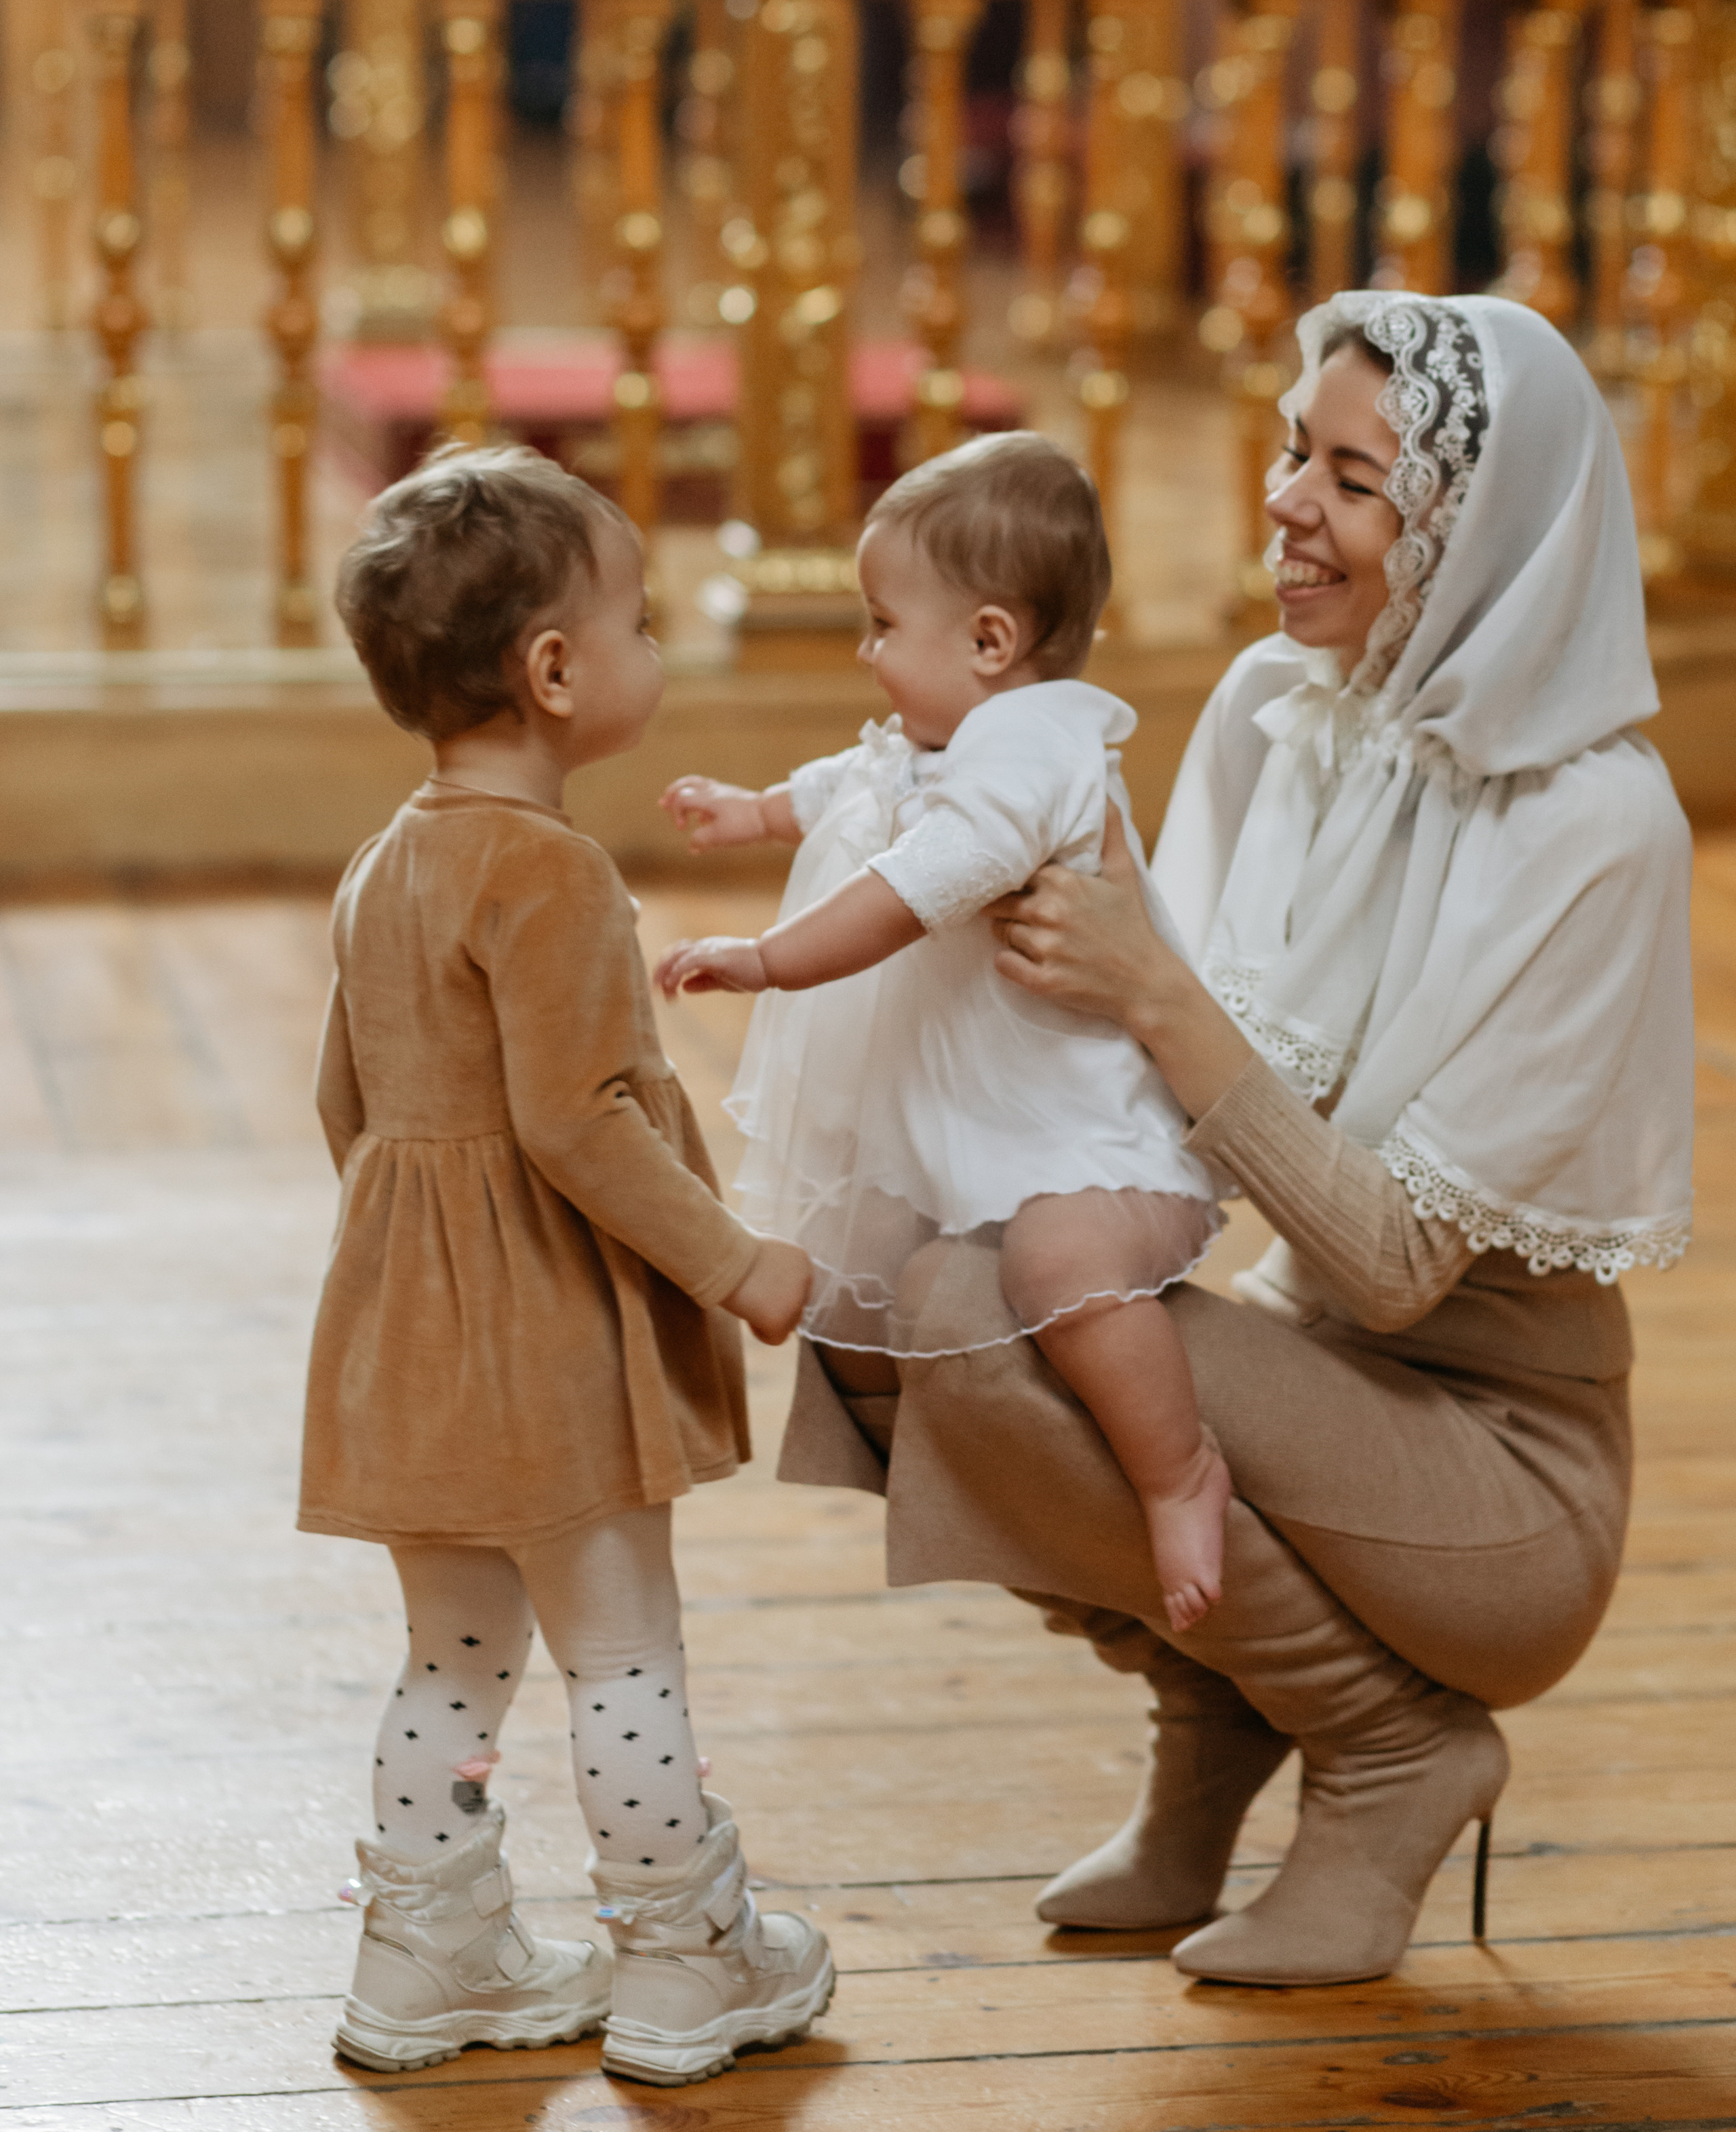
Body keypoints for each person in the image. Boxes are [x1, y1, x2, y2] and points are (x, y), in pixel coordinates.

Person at [776, 292, 1695, 1987]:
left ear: (1467, 531)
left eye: (1351, 478)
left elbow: (1404, 1273)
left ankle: (1389, 1749)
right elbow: (1126, 1126)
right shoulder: (1285, 703)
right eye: (1291, 446)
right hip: (1302, 1367)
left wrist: (1151, 997)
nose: (1282, 500)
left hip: (1499, 1473)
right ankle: (1213, 1725)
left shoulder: (1596, 819)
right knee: (875, 1306)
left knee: (987, 1321)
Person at [298, 446, 833, 2082]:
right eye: (641, 619)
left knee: (454, 1652)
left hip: (405, 1337)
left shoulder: (384, 866)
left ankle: (423, 1943)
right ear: (553, 672)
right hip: (546, 1346)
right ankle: (681, 1955)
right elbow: (582, 1127)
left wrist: (417, 1284)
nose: (651, 646)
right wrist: (735, 1261)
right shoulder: (550, 873)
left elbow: (347, 1105)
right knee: (620, 1655)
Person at [654, 435, 1228, 1629]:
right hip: (975, 1111)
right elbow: (860, 784)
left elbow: (922, 881)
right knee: (888, 1258)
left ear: (989, 642)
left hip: (1081, 1132)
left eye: (879, 625)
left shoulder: (1036, 748)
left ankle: (1180, 1472)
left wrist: (771, 959)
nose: (865, 651)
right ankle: (978, 1474)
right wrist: (757, 810)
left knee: (1061, 1267)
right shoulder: (954, 734)